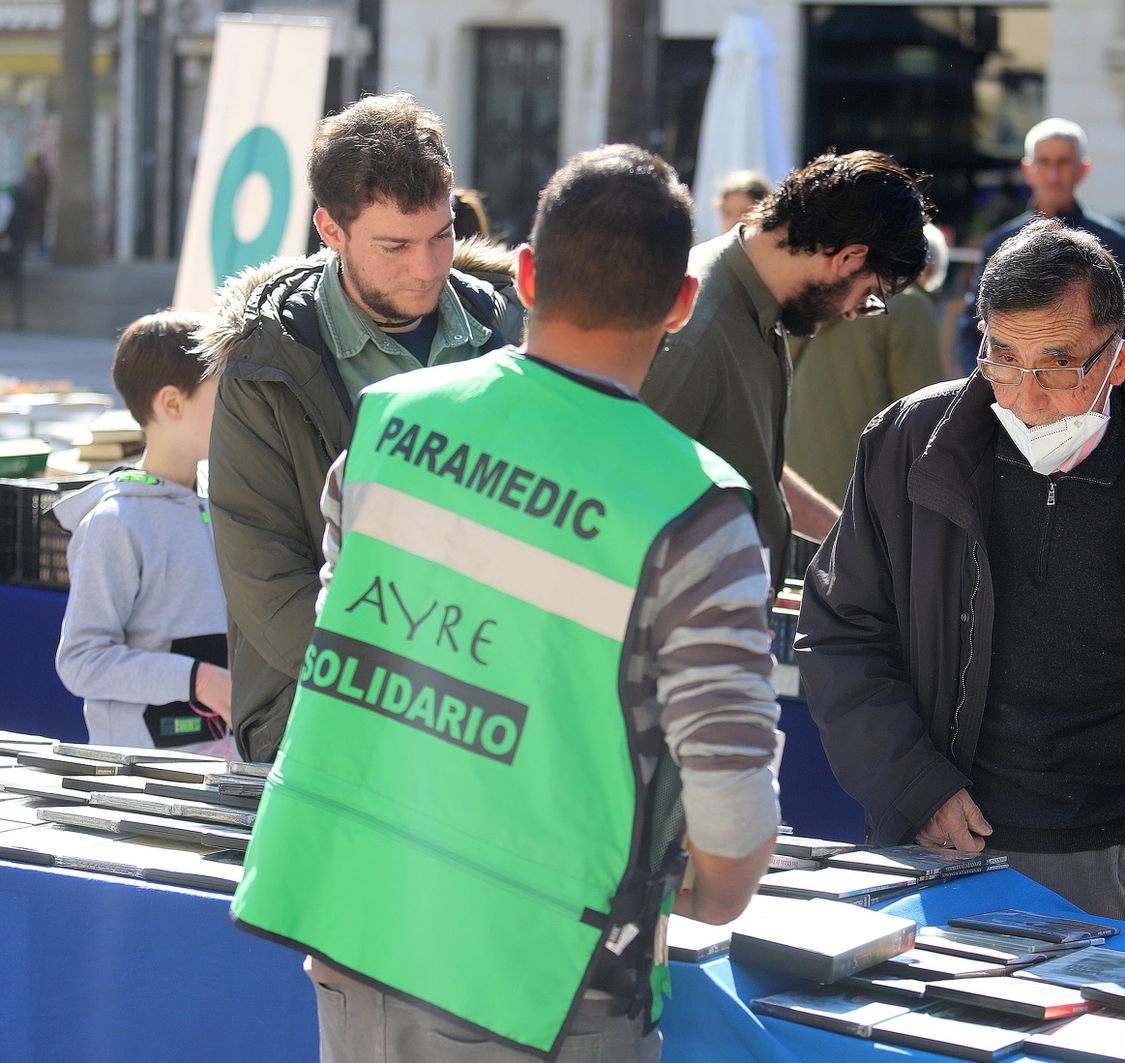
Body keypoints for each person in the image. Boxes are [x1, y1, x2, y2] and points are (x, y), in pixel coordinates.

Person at [232, 145, 781, 1061]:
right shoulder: (696, 507)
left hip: (352, 915)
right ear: (680, 304)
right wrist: (703, 890)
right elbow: (730, 824)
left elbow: (349, 638)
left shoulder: (389, 421)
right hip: (546, 973)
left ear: (524, 273)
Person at [798, 217, 1125, 936]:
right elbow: (841, 631)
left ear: (1118, 360)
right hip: (947, 851)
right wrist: (915, 788)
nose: (1023, 395)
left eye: (1056, 365)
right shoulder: (905, 443)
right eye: (1003, 358)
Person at [198, 92, 523, 762]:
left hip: (491, 725)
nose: (428, 267)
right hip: (324, 721)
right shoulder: (263, 366)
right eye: (395, 246)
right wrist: (405, 705)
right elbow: (265, 581)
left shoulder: (509, 335)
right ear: (330, 229)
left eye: (442, 235)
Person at [640, 150, 929, 581]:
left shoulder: (752, 301)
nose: (854, 312)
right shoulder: (696, 331)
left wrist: (849, 540)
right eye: (868, 294)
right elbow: (627, 494)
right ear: (848, 257)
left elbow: (751, 463)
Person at [55, 311, 233, 756]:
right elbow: (82, 661)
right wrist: (198, 679)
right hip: (143, 783)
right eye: (223, 392)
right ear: (171, 403)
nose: (238, 406)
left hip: (227, 774)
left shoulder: (227, 505)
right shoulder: (115, 524)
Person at [955, 119, 1125, 375]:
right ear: (1028, 170)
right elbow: (974, 326)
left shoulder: (1117, 245)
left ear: (1082, 169)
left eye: (1063, 162)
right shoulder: (1001, 243)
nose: (1053, 175)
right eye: (1044, 162)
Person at [786, 222, 952, 506]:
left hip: (799, 493)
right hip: (861, 501)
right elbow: (927, 420)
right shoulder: (910, 308)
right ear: (924, 268)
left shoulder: (827, 299)